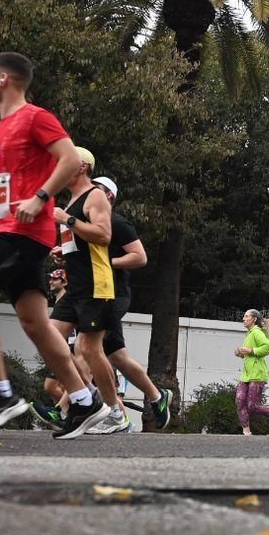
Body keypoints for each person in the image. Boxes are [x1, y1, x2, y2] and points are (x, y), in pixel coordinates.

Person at [0, 51, 92, 437]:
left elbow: (68, 158)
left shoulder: (35, 117)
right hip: (7, 230)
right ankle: (84, 401)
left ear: (5, 79)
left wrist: (41, 197)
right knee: (35, 323)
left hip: (24, 231)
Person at [48, 148, 128, 436]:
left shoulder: (94, 196)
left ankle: (114, 412)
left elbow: (104, 235)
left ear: (81, 166)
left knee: (89, 349)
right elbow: (82, 241)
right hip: (76, 284)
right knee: (49, 338)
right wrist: (64, 253)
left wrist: (67, 221)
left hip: (96, 284)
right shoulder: (71, 202)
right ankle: (87, 398)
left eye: (63, 163)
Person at [89, 177, 171, 430]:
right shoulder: (89, 223)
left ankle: (70, 408)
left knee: (87, 348)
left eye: (96, 190)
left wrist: (107, 264)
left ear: (109, 197)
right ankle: (158, 397)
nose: (90, 194)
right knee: (119, 357)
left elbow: (140, 257)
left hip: (114, 294)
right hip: (95, 293)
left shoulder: (116, 222)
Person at [234, 309, 269, 435]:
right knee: (239, 401)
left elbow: (268, 347)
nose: (243, 318)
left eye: (246, 316)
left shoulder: (256, 332)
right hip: (246, 375)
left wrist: (251, 350)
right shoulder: (248, 334)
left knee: (252, 406)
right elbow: (249, 353)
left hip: (257, 374)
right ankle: (246, 431)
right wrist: (240, 353)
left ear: (254, 319)